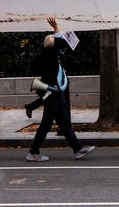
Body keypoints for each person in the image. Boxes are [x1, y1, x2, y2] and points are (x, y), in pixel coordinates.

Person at [26, 17, 95, 162]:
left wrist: (55, 31)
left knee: (65, 124)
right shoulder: (50, 55)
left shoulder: (42, 56)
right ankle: (33, 152)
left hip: (56, 93)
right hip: (53, 94)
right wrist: (56, 27)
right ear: (52, 47)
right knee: (46, 125)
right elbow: (61, 41)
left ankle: (78, 149)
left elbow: (58, 43)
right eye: (55, 43)